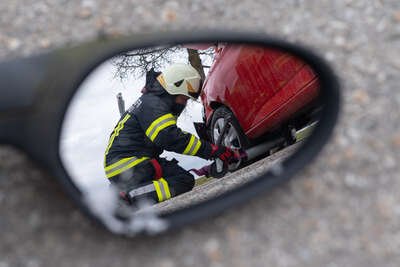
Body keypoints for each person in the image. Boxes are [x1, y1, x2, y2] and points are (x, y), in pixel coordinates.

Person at [104, 63, 239, 206]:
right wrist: (211, 150)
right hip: (129, 164)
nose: (184, 103)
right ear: (175, 87)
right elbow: (169, 137)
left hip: (126, 164)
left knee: (180, 177)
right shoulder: (154, 104)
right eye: (184, 98)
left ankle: (127, 190)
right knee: (182, 180)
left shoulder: (152, 100)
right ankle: (127, 197)